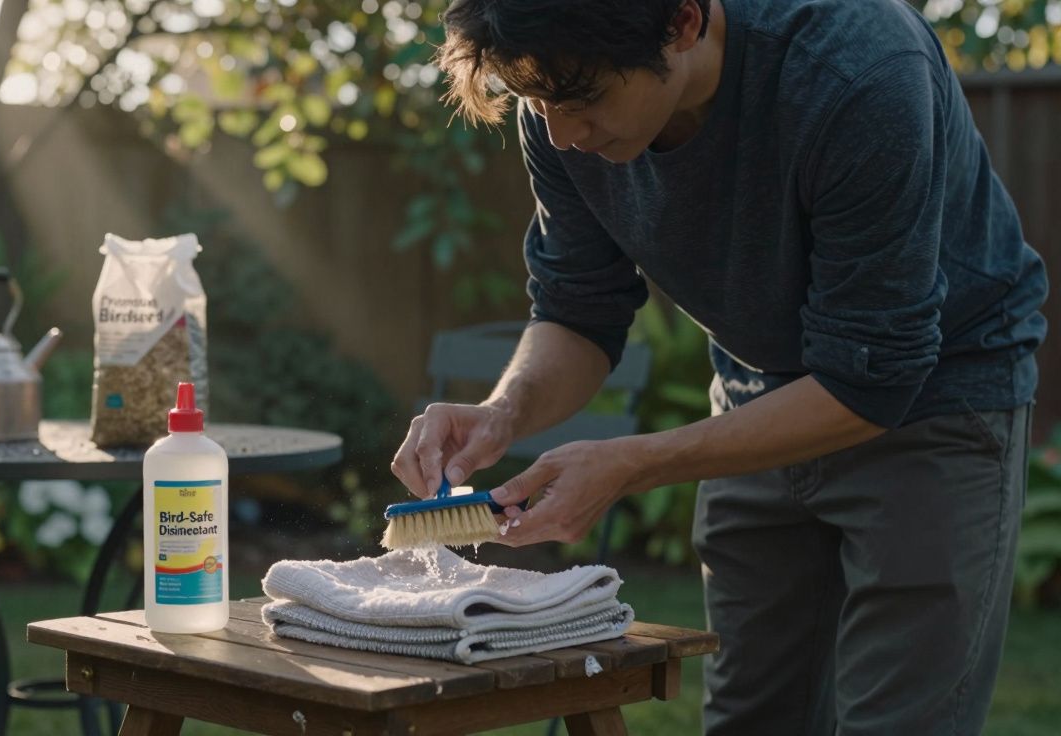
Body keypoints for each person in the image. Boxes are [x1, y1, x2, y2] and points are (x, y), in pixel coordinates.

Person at [389, 0, 1049, 733]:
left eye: (581, 101)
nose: (561, 134)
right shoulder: (558, 100)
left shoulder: (860, 71)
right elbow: (579, 310)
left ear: (682, 22)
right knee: (749, 720)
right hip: (753, 390)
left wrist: (634, 463)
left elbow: (874, 374)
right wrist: (501, 413)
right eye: (535, 103)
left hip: (938, 396)